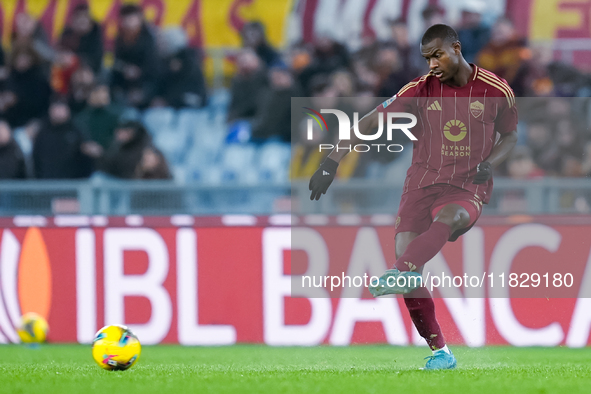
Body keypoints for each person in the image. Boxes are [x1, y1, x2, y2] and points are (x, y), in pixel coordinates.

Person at [308, 24, 518, 370]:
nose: (432, 64)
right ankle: (441, 352)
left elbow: (509, 136)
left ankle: (398, 271)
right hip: (421, 186)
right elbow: (371, 122)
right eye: (426, 58)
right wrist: (332, 161)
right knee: (411, 270)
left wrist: (490, 163)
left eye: (437, 55)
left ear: (456, 47)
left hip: (467, 186)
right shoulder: (420, 90)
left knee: (448, 220)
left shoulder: (496, 89)